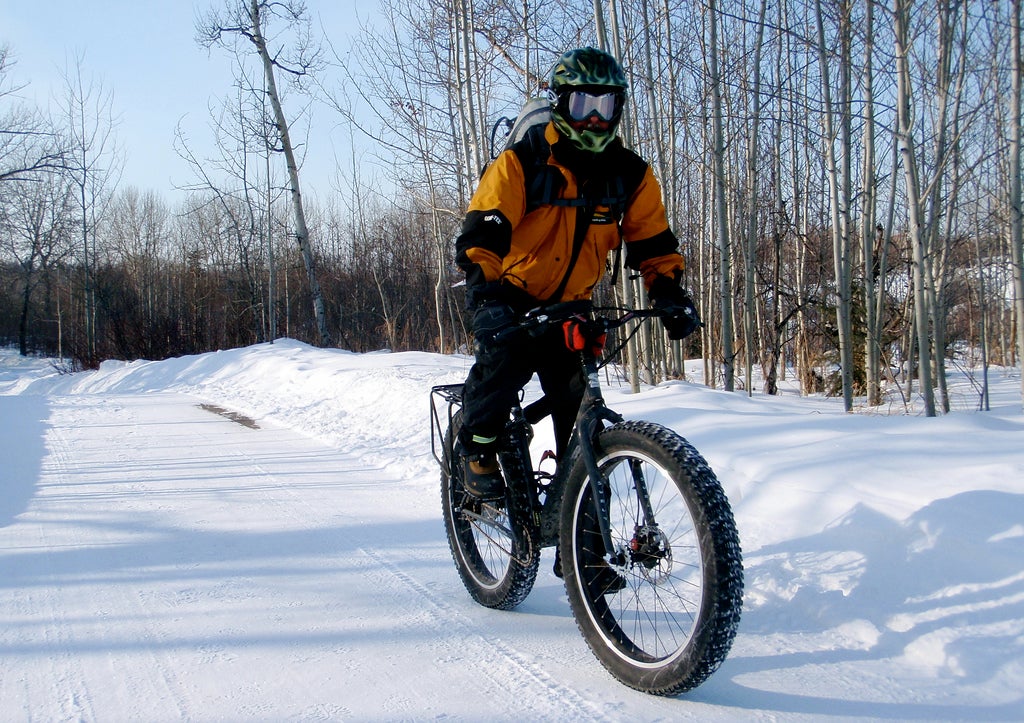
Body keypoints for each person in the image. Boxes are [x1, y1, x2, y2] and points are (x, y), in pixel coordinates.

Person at [454, 46, 699, 499]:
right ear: (561, 103)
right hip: (513, 301)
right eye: (583, 104)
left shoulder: (630, 175)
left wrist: (668, 290)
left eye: (606, 106)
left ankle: (585, 552)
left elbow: (653, 242)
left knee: (580, 426)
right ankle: (476, 451)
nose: (594, 119)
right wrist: (486, 299)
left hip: (573, 309)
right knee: (500, 372)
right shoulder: (522, 163)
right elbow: (483, 235)